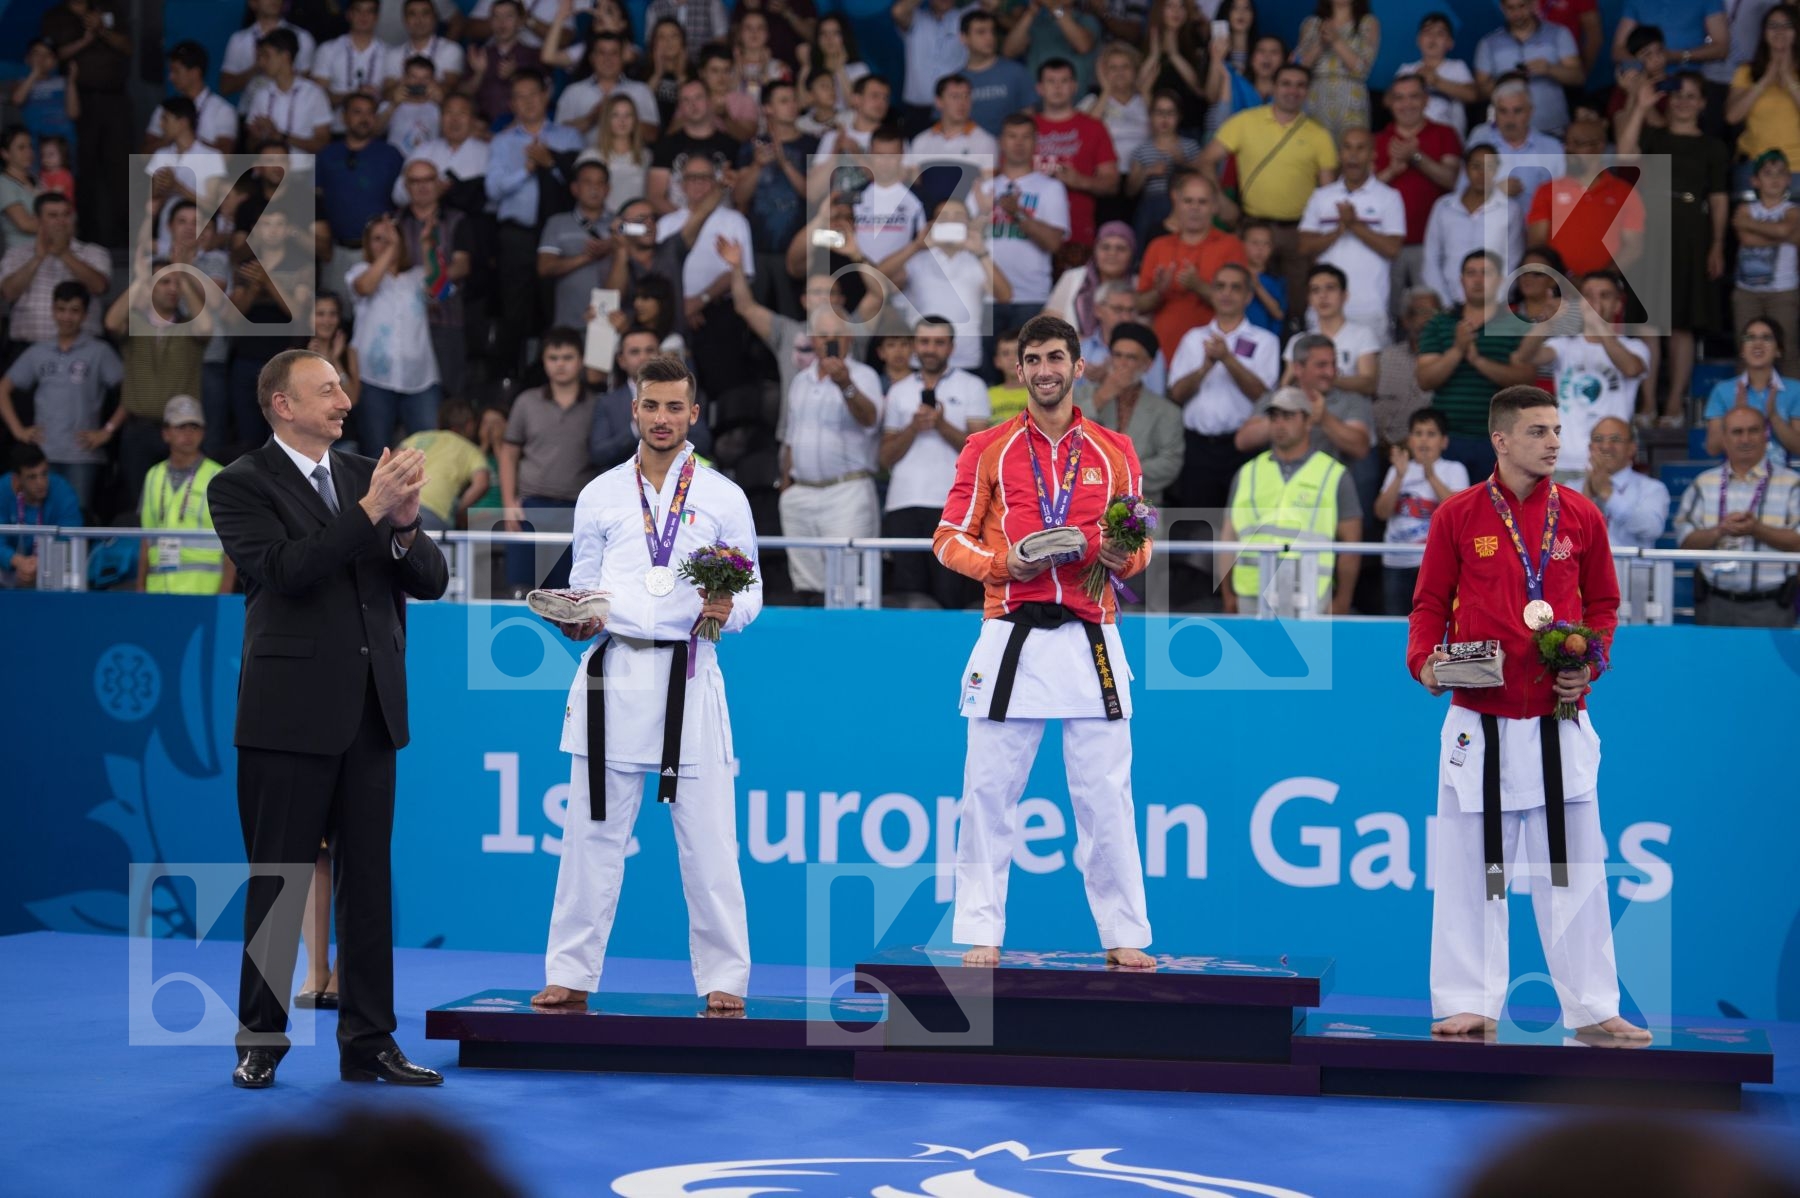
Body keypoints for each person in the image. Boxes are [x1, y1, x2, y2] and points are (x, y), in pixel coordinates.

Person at [208, 348, 449, 1089]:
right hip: (286, 716)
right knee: (278, 881)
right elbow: (286, 570)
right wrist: (372, 511)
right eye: (328, 390)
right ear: (282, 404)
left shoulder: (359, 477)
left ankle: (370, 1043)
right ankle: (261, 1040)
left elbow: (431, 582)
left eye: (343, 388)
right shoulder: (239, 485)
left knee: (369, 885)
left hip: (373, 713)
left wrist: (404, 525)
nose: (345, 400)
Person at [1408, 385, 1646, 1042]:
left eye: (1557, 430)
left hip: (1556, 718)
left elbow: (1603, 604)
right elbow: (1428, 605)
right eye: (1539, 430)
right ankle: (1469, 1001)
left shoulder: (1580, 516)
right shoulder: (1456, 516)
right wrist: (1425, 661)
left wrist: (1589, 661)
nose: (1554, 442)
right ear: (1502, 439)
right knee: (1474, 868)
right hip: (1477, 715)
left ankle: (1594, 1008)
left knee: (1572, 870)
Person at [532, 353, 758, 1012]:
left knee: (710, 842)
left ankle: (725, 980)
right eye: (650, 406)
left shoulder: (723, 496)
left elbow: (752, 595)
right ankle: (570, 973)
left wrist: (728, 610)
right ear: (634, 410)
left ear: (695, 413)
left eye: (674, 407)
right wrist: (578, 618)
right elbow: (586, 581)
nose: (662, 418)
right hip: (615, 673)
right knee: (590, 836)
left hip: (691, 673)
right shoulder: (600, 493)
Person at [931, 314, 1154, 969]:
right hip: (1011, 637)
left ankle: (1124, 935)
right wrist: (1005, 565)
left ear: (1078, 367)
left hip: (1092, 638)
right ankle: (979, 930)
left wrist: (1122, 556)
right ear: (1019, 369)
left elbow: (1140, 546)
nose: (1046, 370)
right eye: (1034, 359)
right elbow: (948, 538)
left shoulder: (1116, 450)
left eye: (1057, 357)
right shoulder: (987, 448)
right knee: (987, 793)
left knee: (1106, 795)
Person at [1201, 64, 1340, 306]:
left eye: (1300, 85)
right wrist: (1220, 200)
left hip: (1297, 232)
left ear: (1307, 91)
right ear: (1273, 87)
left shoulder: (1320, 135)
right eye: (1286, 83)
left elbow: (1328, 193)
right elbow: (1205, 161)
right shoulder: (1243, 121)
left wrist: (1319, 239)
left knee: (1297, 301)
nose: (1292, 90)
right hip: (1252, 226)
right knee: (1245, 299)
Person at [1220, 385, 1364, 615]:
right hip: (1251, 593)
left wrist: (1342, 602)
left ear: (1308, 422)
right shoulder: (1247, 472)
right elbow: (1228, 537)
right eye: (1274, 416)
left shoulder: (1333, 474)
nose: (1279, 424)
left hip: (1309, 593)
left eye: (1288, 416)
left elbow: (1351, 545)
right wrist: (1227, 595)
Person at [880, 315, 990, 608]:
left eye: (939, 342)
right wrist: (913, 427)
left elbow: (982, 454)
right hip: (903, 502)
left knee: (951, 592)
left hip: (954, 505)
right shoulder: (898, 390)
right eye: (924, 342)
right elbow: (885, 457)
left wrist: (942, 425)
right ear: (916, 345)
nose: (930, 349)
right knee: (908, 594)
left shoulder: (972, 386)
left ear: (951, 347)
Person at [1416, 250, 1543, 479]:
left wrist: (1477, 360)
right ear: (1461, 280)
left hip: (1501, 440)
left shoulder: (1519, 325)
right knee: (1450, 512)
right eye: (1471, 273)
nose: (1477, 280)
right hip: (1447, 439)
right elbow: (1425, 380)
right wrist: (1457, 350)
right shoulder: (1439, 324)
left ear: (1500, 281)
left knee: (1496, 512)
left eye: (1485, 273)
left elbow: (1526, 379)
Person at [1167, 262, 1282, 511]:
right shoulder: (1193, 338)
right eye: (1220, 286)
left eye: (1235, 288)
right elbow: (1176, 394)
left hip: (1243, 447)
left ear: (1248, 296)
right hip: (1196, 448)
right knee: (1197, 529)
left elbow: (1262, 395)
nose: (1226, 293)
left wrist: (1227, 359)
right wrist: (1204, 368)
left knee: (1242, 526)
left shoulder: (1266, 341)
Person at [0, 281, 121, 515]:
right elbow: (3, 388)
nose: (67, 317)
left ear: (85, 314)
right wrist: (18, 431)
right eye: (61, 309)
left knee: (77, 518)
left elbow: (131, 391)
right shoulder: (39, 351)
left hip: (83, 455)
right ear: (52, 311)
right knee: (40, 518)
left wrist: (107, 430)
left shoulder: (99, 351)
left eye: (74, 310)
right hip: (42, 456)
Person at [1674, 402, 1800, 625]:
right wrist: (1720, 531)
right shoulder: (1703, 484)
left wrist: (1757, 530)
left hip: (1772, 607)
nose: (1745, 439)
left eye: (1753, 430)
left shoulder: (1793, 484)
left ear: (1765, 435)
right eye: (1737, 432)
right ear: (1724, 438)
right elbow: (1685, 543)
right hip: (1714, 605)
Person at [501, 329, 599, 594]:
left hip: (578, 510)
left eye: (567, 357)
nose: (560, 364)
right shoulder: (526, 402)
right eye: (553, 357)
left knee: (569, 595)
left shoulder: (597, 405)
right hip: (530, 506)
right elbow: (508, 453)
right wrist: (508, 502)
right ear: (543, 361)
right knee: (521, 592)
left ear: (580, 361)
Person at [1530, 274, 1651, 483]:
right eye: (1588, 297)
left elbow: (1631, 368)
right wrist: (1545, 323)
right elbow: (1526, 358)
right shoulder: (1563, 345)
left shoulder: (1634, 347)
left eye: (1604, 296)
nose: (1595, 303)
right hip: (1563, 463)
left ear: (1617, 305)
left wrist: (1597, 324)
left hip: (1612, 464)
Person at [38, 0, 130, 247]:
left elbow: (128, 46)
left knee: (120, 169)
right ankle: (83, 237)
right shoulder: (55, 16)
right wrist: (87, 38)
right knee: (83, 169)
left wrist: (102, 29)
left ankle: (125, 237)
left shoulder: (108, 8)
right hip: (78, 101)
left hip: (114, 98)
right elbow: (53, 56)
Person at [347, 214, 441, 450]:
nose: (384, 243)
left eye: (389, 237)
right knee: (376, 455)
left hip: (421, 379)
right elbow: (365, 287)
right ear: (368, 245)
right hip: (374, 380)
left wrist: (428, 246)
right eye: (378, 239)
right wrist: (393, 246)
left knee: (427, 453)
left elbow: (440, 290)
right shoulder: (359, 271)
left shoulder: (417, 276)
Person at [1135, 171, 1247, 364]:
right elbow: (1139, 305)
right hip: (1163, 351)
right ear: (1176, 203)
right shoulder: (1158, 246)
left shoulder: (1231, 245)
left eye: (1202, 202)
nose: (1195, 208)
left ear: (1214, 206)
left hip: (1213, 353)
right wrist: (1159, 292)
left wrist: (1198, 285)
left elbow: (1239, 303)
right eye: (1188, 201)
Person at [1373, 73, 1462, 312]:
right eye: (1399, 98)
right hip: (1385, 244)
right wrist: (1392, 170)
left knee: (1430, 312)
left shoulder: (1445, 134)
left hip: (1430, 245)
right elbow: (1364, 193)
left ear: (1426, 100)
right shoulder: (1378, 139)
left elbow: (1451, 180)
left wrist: (1416, 157)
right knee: (1387, 312)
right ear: (1390, 102)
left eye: (1414, 97)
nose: (1406, 104)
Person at [1075, 320, 1184, 506]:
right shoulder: (1083, 396)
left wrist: (1122, 474)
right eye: (1118, 355)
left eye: (1131, 358)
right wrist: (1101, 397)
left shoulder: (1167, 411)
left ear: (1148, 364)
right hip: (1086, 503)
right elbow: (1064, 437)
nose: (1123, 363)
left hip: (1142, 506)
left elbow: (1169, 463)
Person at [981, 114, 1072, 335]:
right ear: (1001, 142)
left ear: (1035, 142)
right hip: (984, 295)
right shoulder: (982, 189)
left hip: (1031, 297)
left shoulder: (1051, 188)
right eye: (1012, 137)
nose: (1019, 143)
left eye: (1026, 137)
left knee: (1029, 367)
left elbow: (1053, 243)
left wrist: (1018, 214)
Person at [136, 395, 234, 595]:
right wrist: (140, 588)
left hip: (204, 592)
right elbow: (147, 537)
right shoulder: (153, 475)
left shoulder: (219, 476)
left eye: (194, 427)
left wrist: (224, 593)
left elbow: (232, 541)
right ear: (166, 433)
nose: (189, 433)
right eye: (181, 427)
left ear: (203, 432)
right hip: (158, 591)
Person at [1375, 407, 1467, 613]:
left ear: (1444, 441)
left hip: (1435, 564)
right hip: (1396, 562)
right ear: (1410, 440)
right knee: (1395, 626)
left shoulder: (1454, 469)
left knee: (1434, 623)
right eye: (1418, 433)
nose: (1424, 441)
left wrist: (1430, 475)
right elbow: (1381, 512)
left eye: (1431, 434)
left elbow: (1458, 514)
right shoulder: (1397, 469)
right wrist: (1399, 476)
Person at [1033, 57, 1119, 261]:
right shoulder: (1023, 129)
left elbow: (1112, 183)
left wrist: (1080, 181)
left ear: (1074, 87)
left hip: (1078, 232)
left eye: (1064, 81)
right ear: (1039, 88)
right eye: (1051, 81)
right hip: (1030, 232)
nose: (1057, 88)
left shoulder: (1094, 127)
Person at [1423, 144, 1522, 308]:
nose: (1482, 174)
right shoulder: (1444, 207)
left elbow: (1513, 261)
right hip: (1449, 303)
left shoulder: (1510, 210)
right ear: (1465, 168)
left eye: (1489, 167)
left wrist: (1496, 300)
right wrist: (1443, 301)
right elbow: (1431, 257)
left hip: (1495, 306)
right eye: (1476, 166)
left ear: (1497, 169)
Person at [1475, 0, 1583, 136]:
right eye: (1511, 8)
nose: (1517, 13)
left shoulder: (1559, 34)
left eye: (1522, 6)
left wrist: (1549, 69)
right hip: (1508, 133)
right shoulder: (1488, 43)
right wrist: (1506, 80)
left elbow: (1578, 77)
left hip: (1553, 128)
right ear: (1502, 8)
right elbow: (1480, 91)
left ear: (1533, 5)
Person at [1702, 317, 1800, 466]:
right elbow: (1713, 448)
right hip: (1735, 481)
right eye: (1750, 337)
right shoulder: (1723, 390)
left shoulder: (1795, 390)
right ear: (1742, 350)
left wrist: (1774, 417)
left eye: (1766, 338)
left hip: (1781, 481)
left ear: (1778, 350)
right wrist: (1737, 414)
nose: (1757, 344)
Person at [1732, 149, 1800, 361]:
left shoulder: (1793, 210)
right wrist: (1783, 234)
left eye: (1780, 173)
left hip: (1783, 290)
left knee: (1787, 348)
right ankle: (1746, 395)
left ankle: (1792, 395)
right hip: (1746, 292)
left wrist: (1754, 227)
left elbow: (1782, 230)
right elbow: (1747, 240)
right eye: (1768, 173)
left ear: (1789, 179)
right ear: (1755, 181)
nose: (1775, 178)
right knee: (1746, 350)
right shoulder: (1745, 208)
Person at [1727, 5, 1800, 192]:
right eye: (1773, 26)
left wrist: (1789, 79)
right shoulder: (1747, 72)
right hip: (1754, 165)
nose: (1779, 31)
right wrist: (1765, 80)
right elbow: (1732, 116)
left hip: (1796, 168)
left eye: (1787, 25)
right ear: (1764, 32)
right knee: (1745, 221)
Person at [1582, 416, 1670, 556]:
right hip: (1582, 575)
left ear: (1632, 448)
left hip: (1630, 575)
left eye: (1615, 440)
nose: (1605, 447)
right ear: (1589, 447)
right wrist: (1586, 495)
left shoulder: (1652, 489)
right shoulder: (1570, 489)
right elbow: (1560, 535)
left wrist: (1607, 493)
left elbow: (1652, 529)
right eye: (1598, 439)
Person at [399, 398, 489, 530]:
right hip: (435, 512)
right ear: (470, 425)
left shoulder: (419, 437)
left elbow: (387, 463)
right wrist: (458, 509)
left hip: (397, 506)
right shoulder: (471, 450)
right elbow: (482, 483)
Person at [1295, 0, 1379, 140]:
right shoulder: (1311, 23)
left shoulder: (1368, 23)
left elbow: (1362, 69)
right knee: (1316, 149)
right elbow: (1299, 68)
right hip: (1316, 95)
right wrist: (1320, 43)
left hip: (1351, 97)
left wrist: (1336, 41)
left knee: (1350, 150)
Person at [0, 442, 80, 589]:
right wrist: (16, 561)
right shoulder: (2, 490)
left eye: (44, 474)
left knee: (70, 565)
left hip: (50, 566)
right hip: (11, 567)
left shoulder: (63, 491)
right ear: (16, 480)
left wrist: (41, 562)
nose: (40, 482)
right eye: (32, 477)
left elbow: (70, 536)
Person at [1375, 287, 1442, 448]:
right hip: (1385, 449)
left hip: (1433, 452)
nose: (1427, 320)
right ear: (1406, 320)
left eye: (1433, 313)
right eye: (1420, 313)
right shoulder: (1386, 358)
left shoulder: (1450, 361)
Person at [892, 0, 971, 132]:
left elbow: (992, 4)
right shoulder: (916, 18)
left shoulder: (965, 17)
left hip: (955, 106)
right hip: (918, 109)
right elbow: (898, 11)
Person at [1398, 11, 1477, 139]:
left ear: (1450, 43)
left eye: (1440, 33)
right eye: (1427, 32)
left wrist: (1437, 82)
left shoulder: (1456, 67)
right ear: (1418, 40)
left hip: (1449, 139)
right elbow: (1389, 100)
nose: (1432, 38)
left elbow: (1472, 95)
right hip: (1412, 137)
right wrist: (1413, 85)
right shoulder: (1407, 69)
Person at [960, 10, 1034, 135]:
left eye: (992, 32)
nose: (989, 37)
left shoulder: (1016, 72)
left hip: (1008, 153)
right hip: (970, 152)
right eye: (981, 32)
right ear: (964, 38)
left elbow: (1029, 118)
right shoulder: (956, 80)